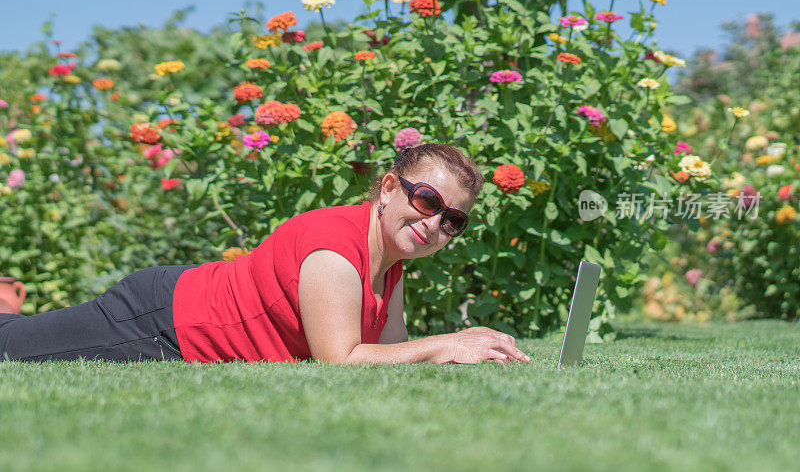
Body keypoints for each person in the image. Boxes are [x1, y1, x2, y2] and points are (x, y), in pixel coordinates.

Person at [0, 144, 530, 365]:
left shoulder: (387, 267)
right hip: (163, 320)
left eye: (452, 219)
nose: (435, 222)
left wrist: (463, 354)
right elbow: (341, 360)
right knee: (15, 348)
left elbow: (389, 358)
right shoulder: (335, 250)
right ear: (389, 186)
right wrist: (449, 343)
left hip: (183, 305)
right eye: (428, 200)